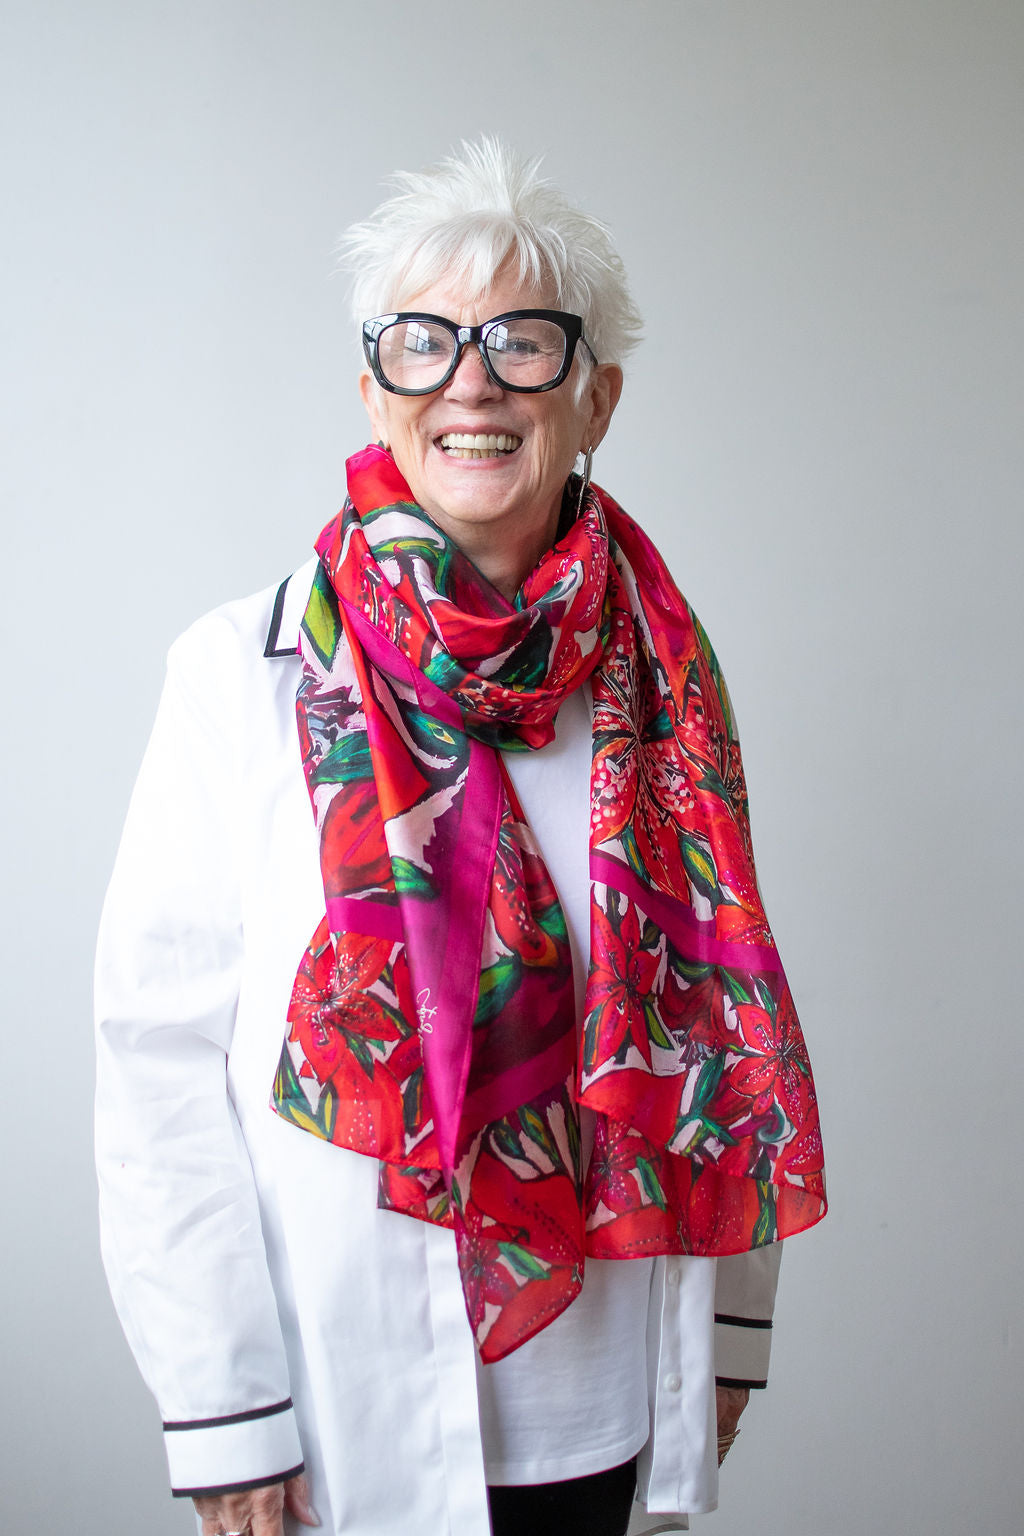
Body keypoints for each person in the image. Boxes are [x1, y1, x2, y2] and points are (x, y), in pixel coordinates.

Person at [95, 138, 826, 1536]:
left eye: (523, 342)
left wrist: (730, 1330)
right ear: (375, 388)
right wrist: (221, 1404)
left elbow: (723, 1024)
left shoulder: (667, 681)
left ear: (597, 396)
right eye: (423, 342)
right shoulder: (243, 672)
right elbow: (158, 1065)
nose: (470, 383)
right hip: (337, 1409)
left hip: (611, 1402)